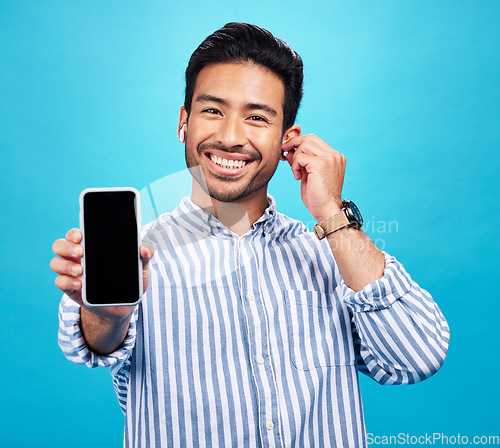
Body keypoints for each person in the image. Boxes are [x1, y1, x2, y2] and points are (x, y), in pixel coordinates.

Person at [51, 22, 449, 448]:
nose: (230, 136)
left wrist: (332, 214)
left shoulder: (332, 255)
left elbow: (416, 356)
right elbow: (96, 341)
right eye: (212, 111)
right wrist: (107, 316)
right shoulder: (133, 257)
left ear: (287, 139)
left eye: (257, 117)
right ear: (184, 122)